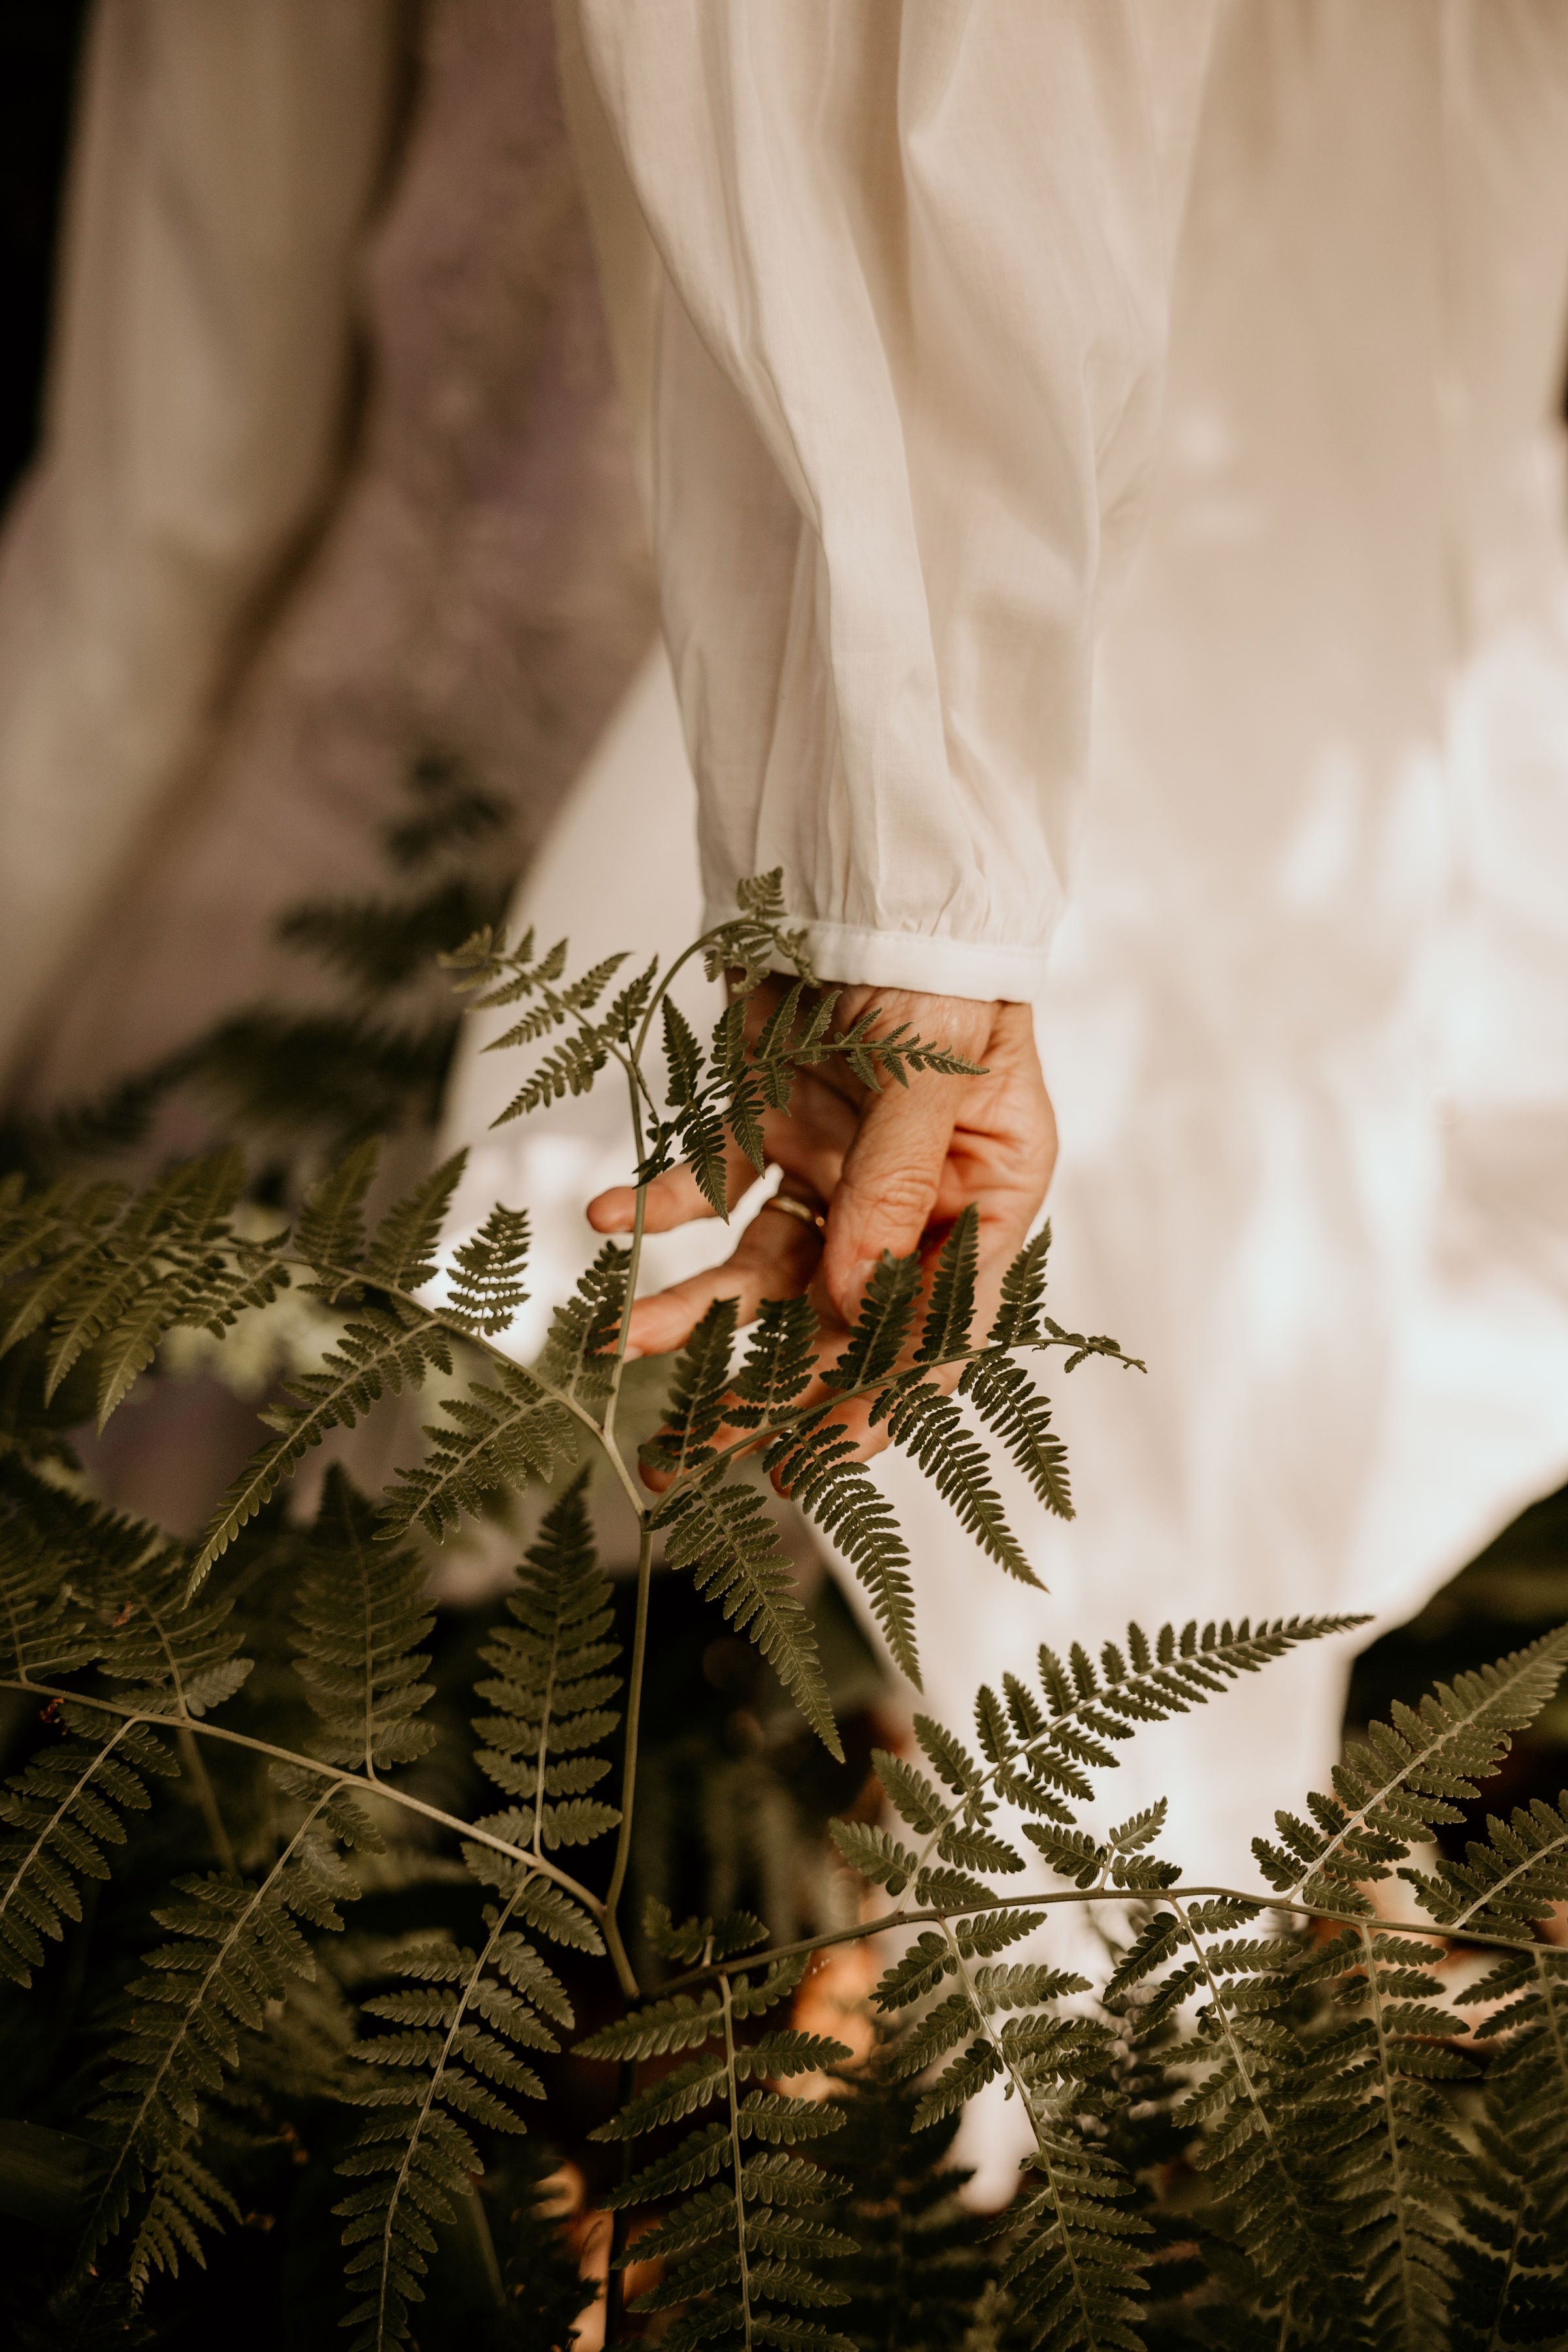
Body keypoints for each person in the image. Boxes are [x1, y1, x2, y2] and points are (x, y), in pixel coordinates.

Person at [434, 3, 1568, 2191]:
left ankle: (1059, 2104)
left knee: (1205, 1350)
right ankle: (1025, 2113)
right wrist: (904, 898)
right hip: (1112, 578)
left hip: (1354, 524)